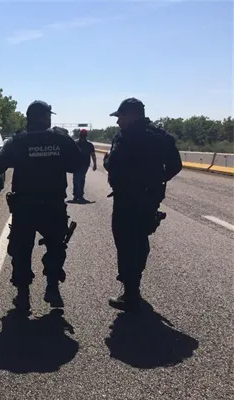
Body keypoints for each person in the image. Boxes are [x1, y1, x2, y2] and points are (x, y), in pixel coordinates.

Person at [0, 100, 81, 313]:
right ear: (46, 117)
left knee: (21, 250)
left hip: (25, 207)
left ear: (29, 119)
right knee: (56, 246)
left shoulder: (18, 142)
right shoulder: (61, 139)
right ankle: (52, 288)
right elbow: (78, 165)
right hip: (53, 206)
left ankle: (23, 295)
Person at [104, 98, 182, 312]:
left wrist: (106, 162)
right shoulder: (161, 137)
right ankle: (134, 285)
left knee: (126, 243)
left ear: (131, 115)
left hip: (126, 199)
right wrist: (156, 180)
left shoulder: (124, 137)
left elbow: (114, 165)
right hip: (149, 198)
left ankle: (130, 294)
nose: (118, 121)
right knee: (140, 241)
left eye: (120, 116)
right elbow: (175, 165)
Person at [72, 129, 97, 203]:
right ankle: (77, 195)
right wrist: (94, 164)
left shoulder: (88, 144)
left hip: (83, 164)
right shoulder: (76, 143)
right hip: (77, 164)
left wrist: (95, 164)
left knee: (78, 179)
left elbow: (93, 154)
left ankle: (78, 195)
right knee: (78, 179)